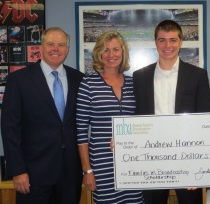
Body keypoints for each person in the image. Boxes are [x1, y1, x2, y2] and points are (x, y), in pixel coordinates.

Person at [1, 27, 84, 204]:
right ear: (41, 46)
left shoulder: (79, 79)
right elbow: (10, 129)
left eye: (61, 45)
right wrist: (17, 170)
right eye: (51, 44)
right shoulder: (19, 80)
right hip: (32, 175)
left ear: (67, 49)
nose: (56, 48)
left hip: (70, 175)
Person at [133, 20, 210, 204]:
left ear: (181, 41)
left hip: (188, 156)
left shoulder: (198, 75)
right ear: (155, 42)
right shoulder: (140, 77)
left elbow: (204, 120)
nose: (167, 46)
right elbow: (136, 118)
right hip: (151, 157)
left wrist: (199, 164)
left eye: (173, 40)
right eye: (162, 40)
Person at [76, 30, 144, 204]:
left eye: (116, 49)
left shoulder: (133, 83)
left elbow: (142, 123)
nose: (111, 55)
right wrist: (87, 171)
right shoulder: (88, 84)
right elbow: (81, 130)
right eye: (105, 50)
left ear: (123, 52)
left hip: (132, 163)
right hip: (101, 165)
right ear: (99, 54)